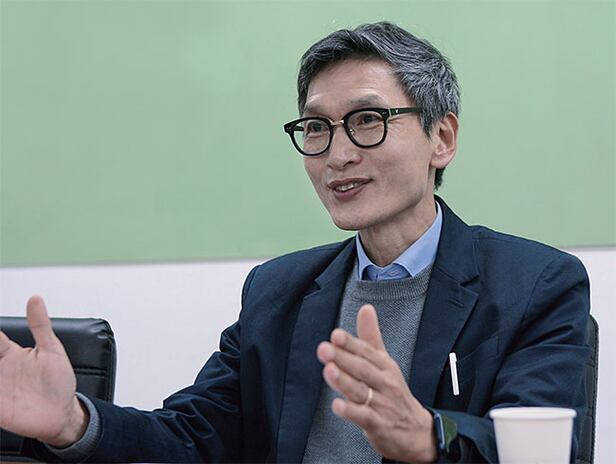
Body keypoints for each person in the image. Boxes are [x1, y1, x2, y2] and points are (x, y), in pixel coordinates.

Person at [0, 22, 590, 463]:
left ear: (442, 137)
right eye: (316, 127)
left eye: (367, 120)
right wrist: (73, 422)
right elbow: (193, 437)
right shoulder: (278, 290)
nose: (338, 154)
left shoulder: (533, 284)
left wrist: (430, 435)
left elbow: (539, 446)